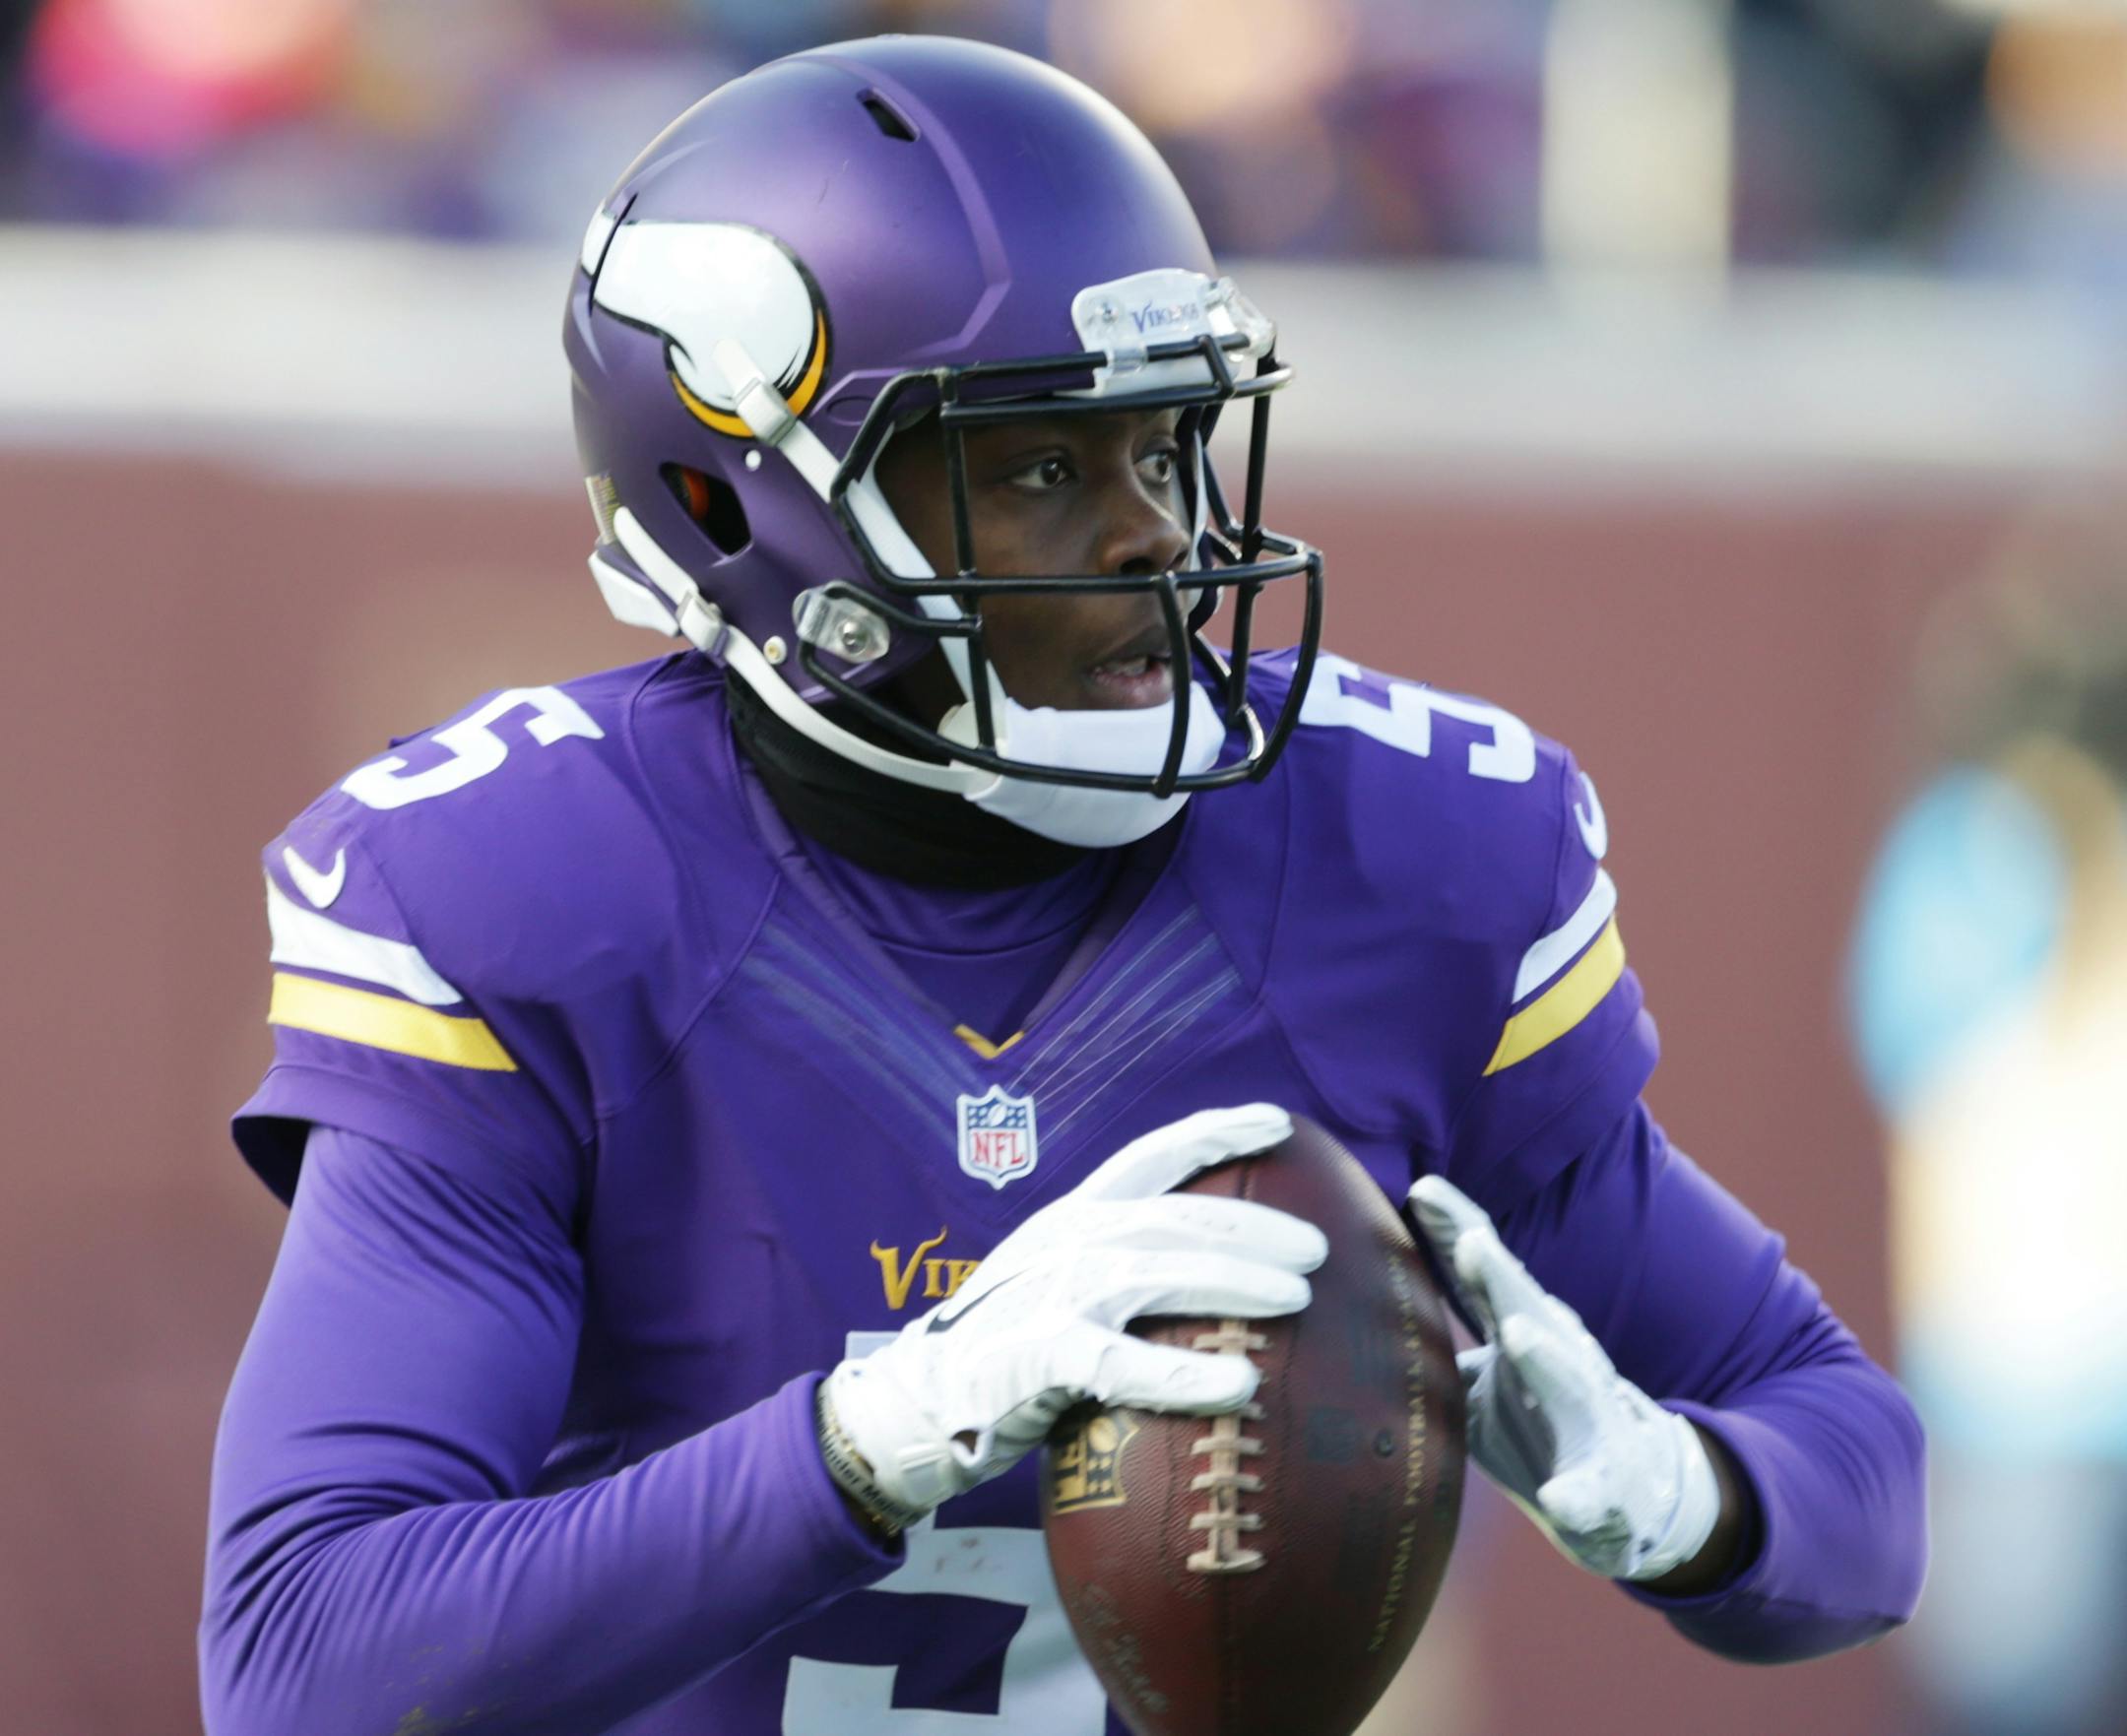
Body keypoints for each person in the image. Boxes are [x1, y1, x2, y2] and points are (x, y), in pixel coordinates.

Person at [200, 36, 1925, 1736]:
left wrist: (1676, 1499)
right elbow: (301, 1665)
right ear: (736, 504)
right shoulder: (533, 898)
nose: (1156, 537)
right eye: (1038, 467)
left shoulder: (1410, 864)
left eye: (1165, 448)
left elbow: (1857, 1478)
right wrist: (877, 1436)